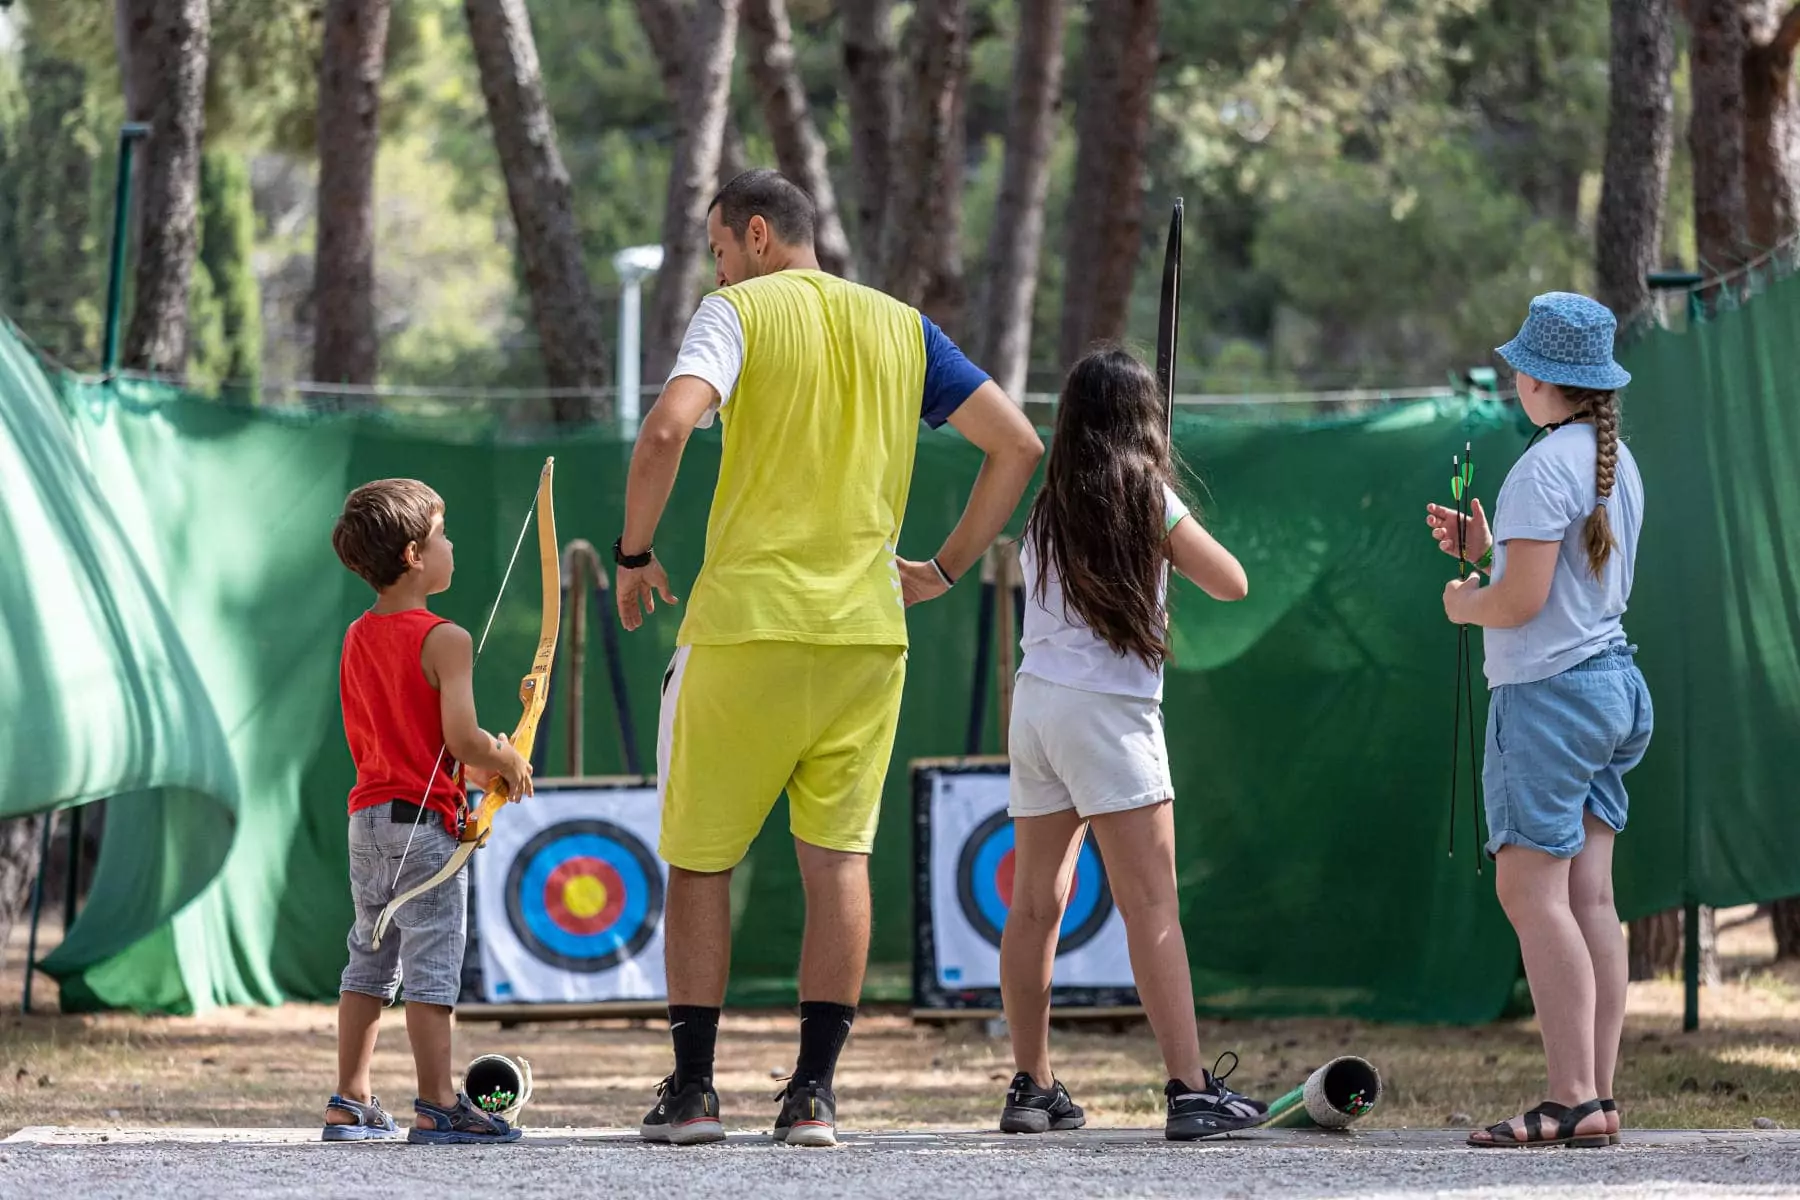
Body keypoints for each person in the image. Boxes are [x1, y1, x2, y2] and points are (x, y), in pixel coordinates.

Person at [613, 168, 1043, 1147]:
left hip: (743, 629)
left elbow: (669, 427)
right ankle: (812, 1095)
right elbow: (1016, 445)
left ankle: (692, 1094)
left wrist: (635, 554)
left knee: (699, 862)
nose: (719, 268)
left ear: (756, 235)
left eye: (721, 249)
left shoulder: (736, 314)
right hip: (866, 636)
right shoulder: (904, 326)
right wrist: (944, 565)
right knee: (837, 861)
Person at [995, 346, 1267, 1142]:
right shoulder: (1147, 497)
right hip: (1108, 716)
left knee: (1034, 906)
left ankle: (1032, 1083)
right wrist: (1167, 508)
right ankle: (1189, 1089)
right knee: (1151, 906)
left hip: (1037, 708)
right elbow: (1232, 581)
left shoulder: (1048, 507)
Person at [1427, 292, 1652, 1150]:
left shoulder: (1538, 467)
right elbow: (1560, 585)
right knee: (1590, 894)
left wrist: (1461, 601)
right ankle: (1594, 1096)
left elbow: (1518, 605)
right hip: (1613, 690)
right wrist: (1488, 550)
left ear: (1537, 380)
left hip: (1550, 701)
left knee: (1529, 891)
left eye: (1520, 364)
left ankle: (1565, 1097)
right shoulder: (1612, 460)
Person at [325, 478, 534, 1145]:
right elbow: (460, 741)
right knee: (432, 964)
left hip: (369, 822)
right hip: (425, 834)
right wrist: (503, 758)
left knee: (369, 956)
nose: (451, 545)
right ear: (415, 555)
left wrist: (486, 770)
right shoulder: (446, 637)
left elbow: (415, 745)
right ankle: (438, 1103)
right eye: (442, 535)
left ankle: (350, 1100)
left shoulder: (359, 634)